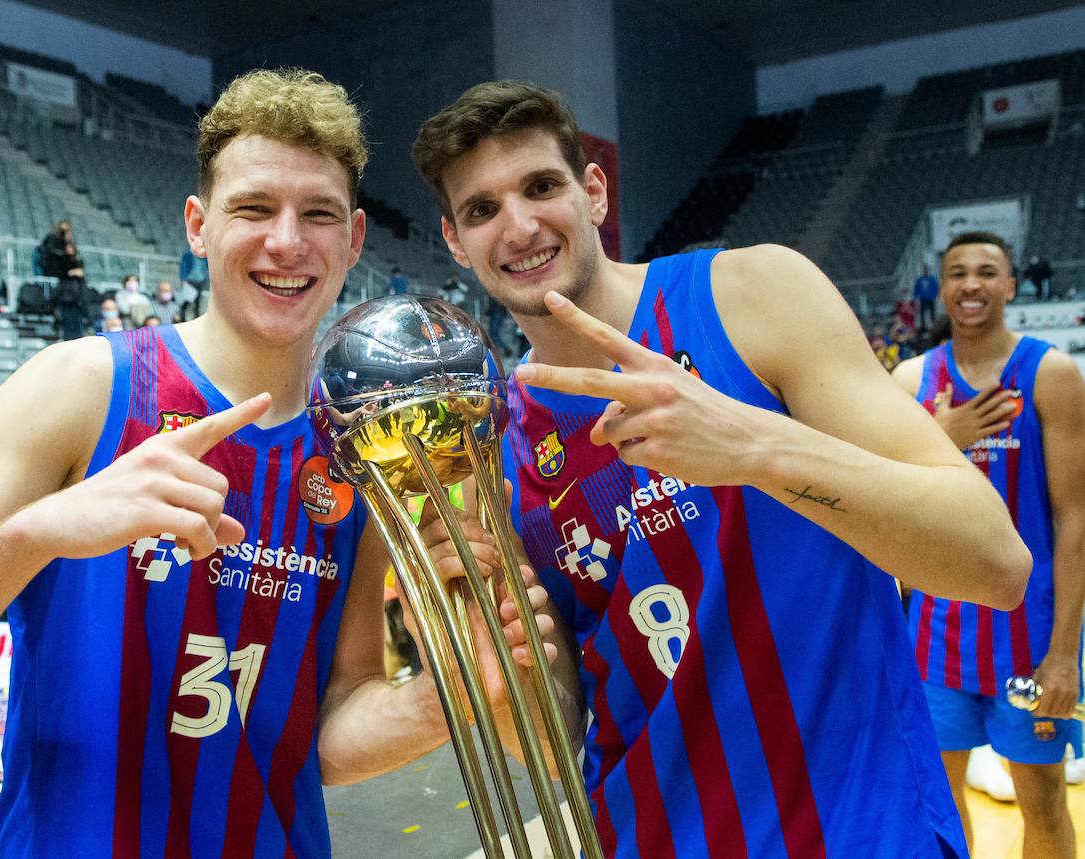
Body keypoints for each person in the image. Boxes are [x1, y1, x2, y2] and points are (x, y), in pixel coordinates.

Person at [0, 68, 550, 858]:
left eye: (317, 214)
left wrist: (442, 697)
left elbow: (317, 734)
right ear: (196, 226)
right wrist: (36, 533)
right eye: (253, 209)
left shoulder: (355, 448)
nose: (286, 241)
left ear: (352, 241)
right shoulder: (82, 387)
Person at [411, 80, 1032, 856]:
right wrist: (501, 673)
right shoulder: (496, 447)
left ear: (594, 192)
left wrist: (753, 446)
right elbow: (560, 724)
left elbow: (996, 563)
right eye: (482, 209)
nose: (520, 224)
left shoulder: (752, 295)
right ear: (454, 241)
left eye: (541, 186)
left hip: (859, 831)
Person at [892, 230, 1085, 858]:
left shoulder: (1051, 374)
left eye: (985, 272)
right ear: (940, 289)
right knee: (940, 805)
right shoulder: (911, 380)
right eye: (956, 273)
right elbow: (886, 500)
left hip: (1027, 638)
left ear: (1010, 284)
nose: (970, 284)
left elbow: (1075, 519)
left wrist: (1064, 654)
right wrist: (938, 435)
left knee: (1044, 802)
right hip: (934, 635)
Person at [54, 242, 89, 340]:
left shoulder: (78, 260)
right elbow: (59, 274)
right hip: (66, 296)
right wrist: (71, 272)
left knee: (77, 322)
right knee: (67, 322)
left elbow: (82, 279)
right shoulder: (62, 261)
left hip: (77, 297)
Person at [179, 242, 208, 310]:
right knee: (188, 300)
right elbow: (183, 267)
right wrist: (183, 280)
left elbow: (206, 267)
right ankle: (181, 315)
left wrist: (204, 277)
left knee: (197, 301)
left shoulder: (204, 257)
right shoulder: (188, 255)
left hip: (200, 281)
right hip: (190, 281)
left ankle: (196, 316)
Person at [914, 265, 940, 332]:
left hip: (930, 299)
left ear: (928, 270)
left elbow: (936, 288)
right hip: (923, 299)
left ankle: (935, 326)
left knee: (932, 313)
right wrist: (916, 297)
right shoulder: (920, 280)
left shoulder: (932, 279)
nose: (925, 271)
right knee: (922, 314)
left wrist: (935, 295)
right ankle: (924, 327)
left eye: (926, 270)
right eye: (924, 270)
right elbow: (916, 289)